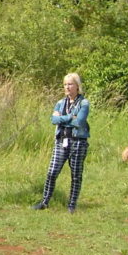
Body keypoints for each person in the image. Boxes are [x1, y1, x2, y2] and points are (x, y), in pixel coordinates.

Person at [33, 73, 90, 213]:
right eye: (65, 84)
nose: (67, 87)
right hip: (61, 141)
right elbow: (53, 120)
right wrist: (70, 117)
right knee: (52, 172)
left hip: (78, 142)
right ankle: (45, 202)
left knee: (76, 174)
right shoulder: (60, 103)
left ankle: (72, 205)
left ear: (77, 86)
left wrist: (62, 118)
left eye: (70, 84)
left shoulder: (84, 103)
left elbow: (80, 122)